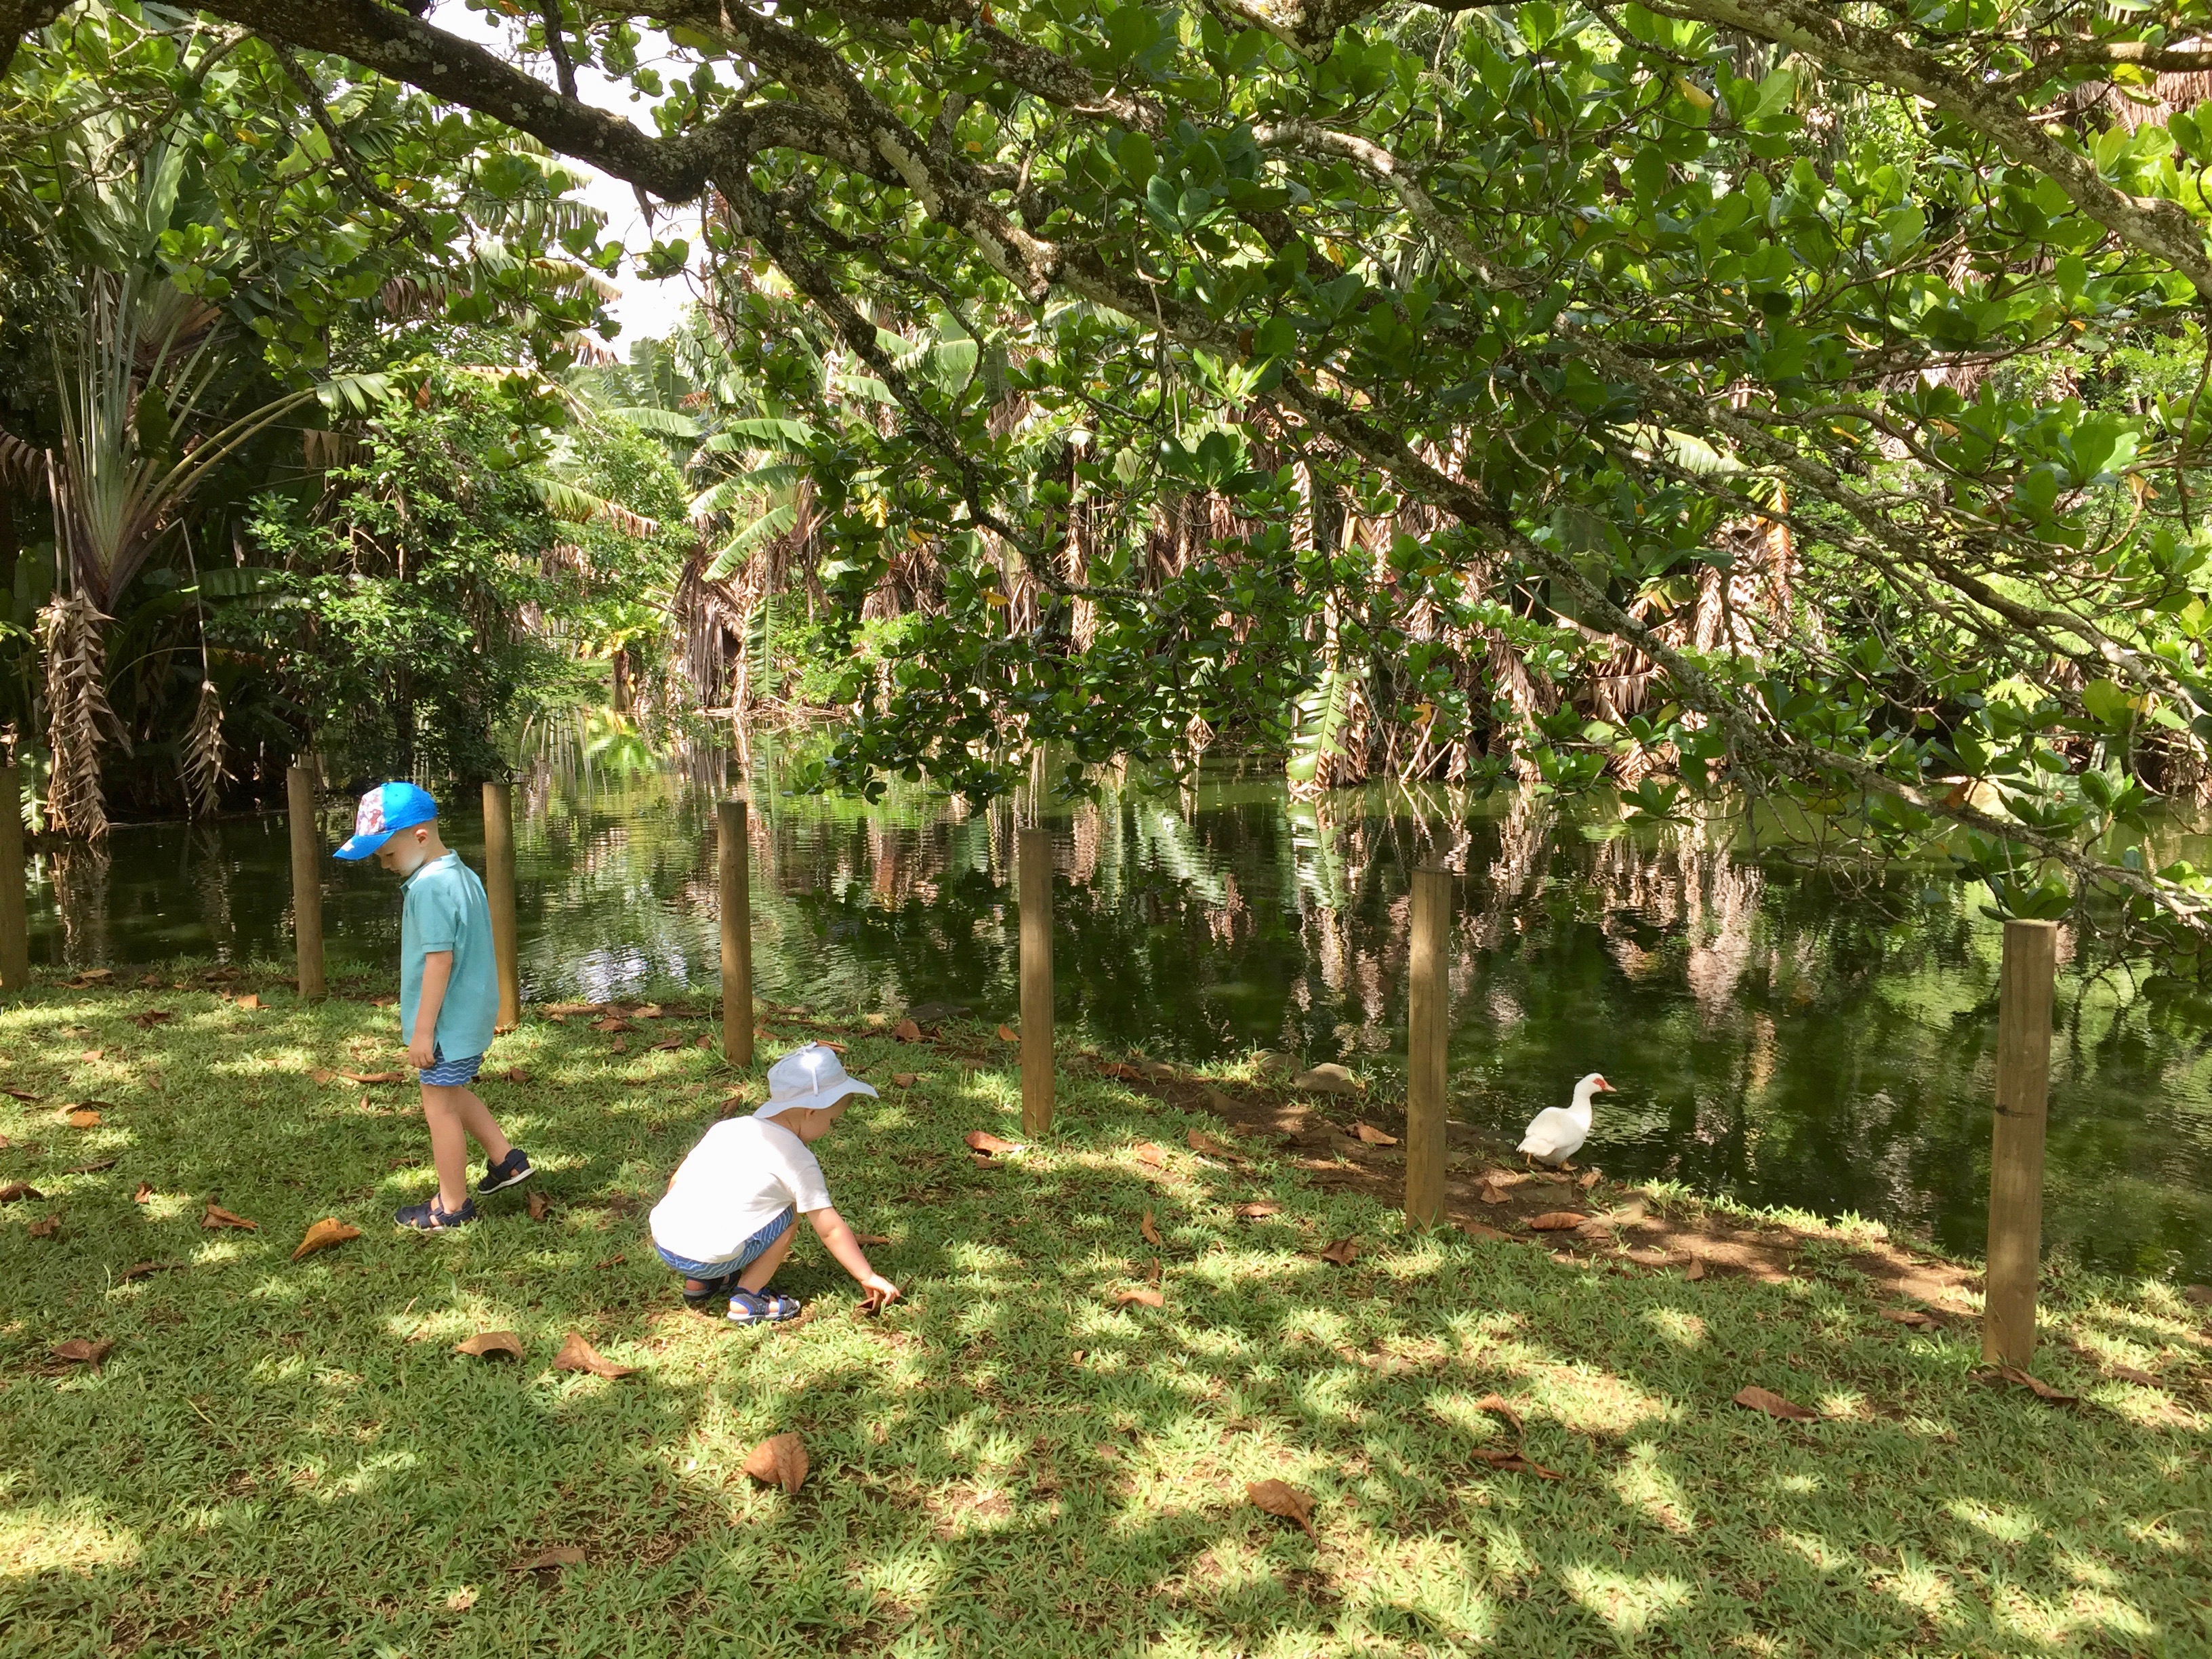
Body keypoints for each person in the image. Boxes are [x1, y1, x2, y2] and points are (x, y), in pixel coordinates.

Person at [333, 781, 533, 1229]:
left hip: (446, 1024)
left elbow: (439, 963)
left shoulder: (427, 888)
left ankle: (452, 1205)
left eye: (387, 855)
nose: (385, 867)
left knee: (438, 1108)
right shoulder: (459, 871)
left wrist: (423, 1032)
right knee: (453, 1094)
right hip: (470, 1016)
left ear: (419, 836)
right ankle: (507, 1161)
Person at [650, 1042, 900, 1324]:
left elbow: (677, 1182)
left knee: (714, 1199)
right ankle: (748, 1297)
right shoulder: (797, 1158)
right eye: (831, 1120)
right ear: (811, 1112)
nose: (830, 1128)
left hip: (667, 1244)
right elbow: (830, 1228)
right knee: (788, 1214)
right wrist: (867, 1275)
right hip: (709, 1257)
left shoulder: (727, 1128)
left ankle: (699, 1284)